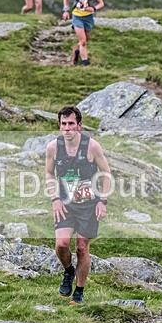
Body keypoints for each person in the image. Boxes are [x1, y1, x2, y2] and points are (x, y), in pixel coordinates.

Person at [45, 106, 112, 304]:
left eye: (71, 124)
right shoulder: (53, 147)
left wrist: (102, 201)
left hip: (89, 205)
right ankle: (68, 271)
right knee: (61, 244)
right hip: (65, 204)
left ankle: (79, 292)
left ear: (79, 125)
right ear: (59, 126)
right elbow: (49, 173)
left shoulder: (92, 146)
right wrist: (55, 199)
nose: (67, 129)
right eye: (63, 124)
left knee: (82, 248)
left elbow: (106, 173)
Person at [62, 0, 104, 66]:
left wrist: (94, 8)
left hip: (88, 18)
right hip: (77, 17)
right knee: (83, 41)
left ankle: (77, 52)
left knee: (84, 41)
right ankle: (86, 63)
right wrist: (65, 11)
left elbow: (101, 3)